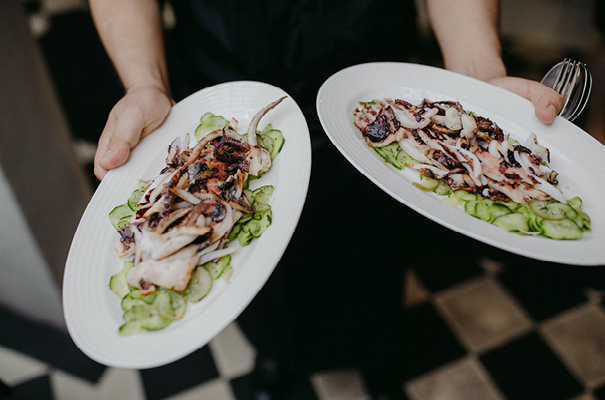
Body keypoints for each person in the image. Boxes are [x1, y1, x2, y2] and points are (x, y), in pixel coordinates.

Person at [88, 0, 564, 398]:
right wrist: (145, 83)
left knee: (369, 239)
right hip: (230, 78)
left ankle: (377, 358)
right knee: (247, 248)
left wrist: (478, 73)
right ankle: (279, 357)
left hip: (363, 80)